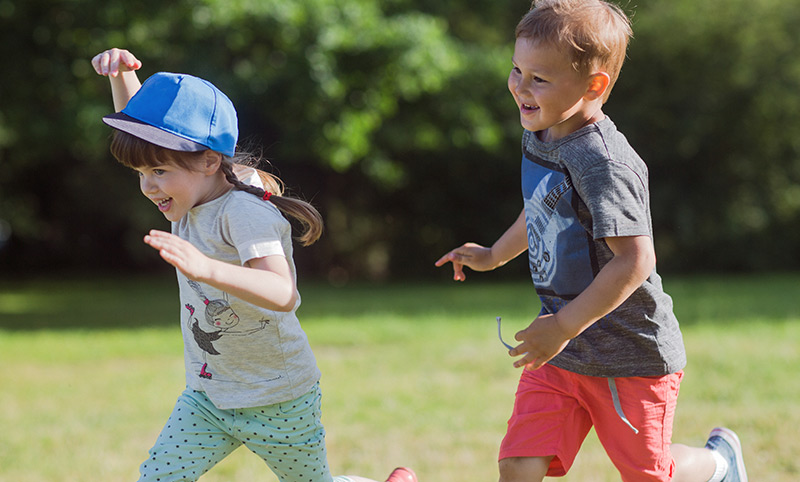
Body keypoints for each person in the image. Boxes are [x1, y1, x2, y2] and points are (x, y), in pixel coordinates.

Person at [435, 1, 747, 481]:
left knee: (651, 475)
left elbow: (635, 261)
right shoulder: (542, 133)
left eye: (540, 78)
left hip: (629, 353)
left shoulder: (603, 162)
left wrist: (561, 325)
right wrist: (495, 254)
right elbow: (544, 204)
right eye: (517, 70)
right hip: (563, 351)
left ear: (593, 85)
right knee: (518, 465)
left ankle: (718, 464)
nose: (520, 86)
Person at [92, 48, 417, 482]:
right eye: (141, 173)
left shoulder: (243, 212)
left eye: (159, 171)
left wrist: (207, 269)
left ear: (209, 161)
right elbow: (148, 139)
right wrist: (123, 78)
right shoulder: (190, 193)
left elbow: (283, 293)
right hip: (208, 397)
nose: (148, 186)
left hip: (277, 399)